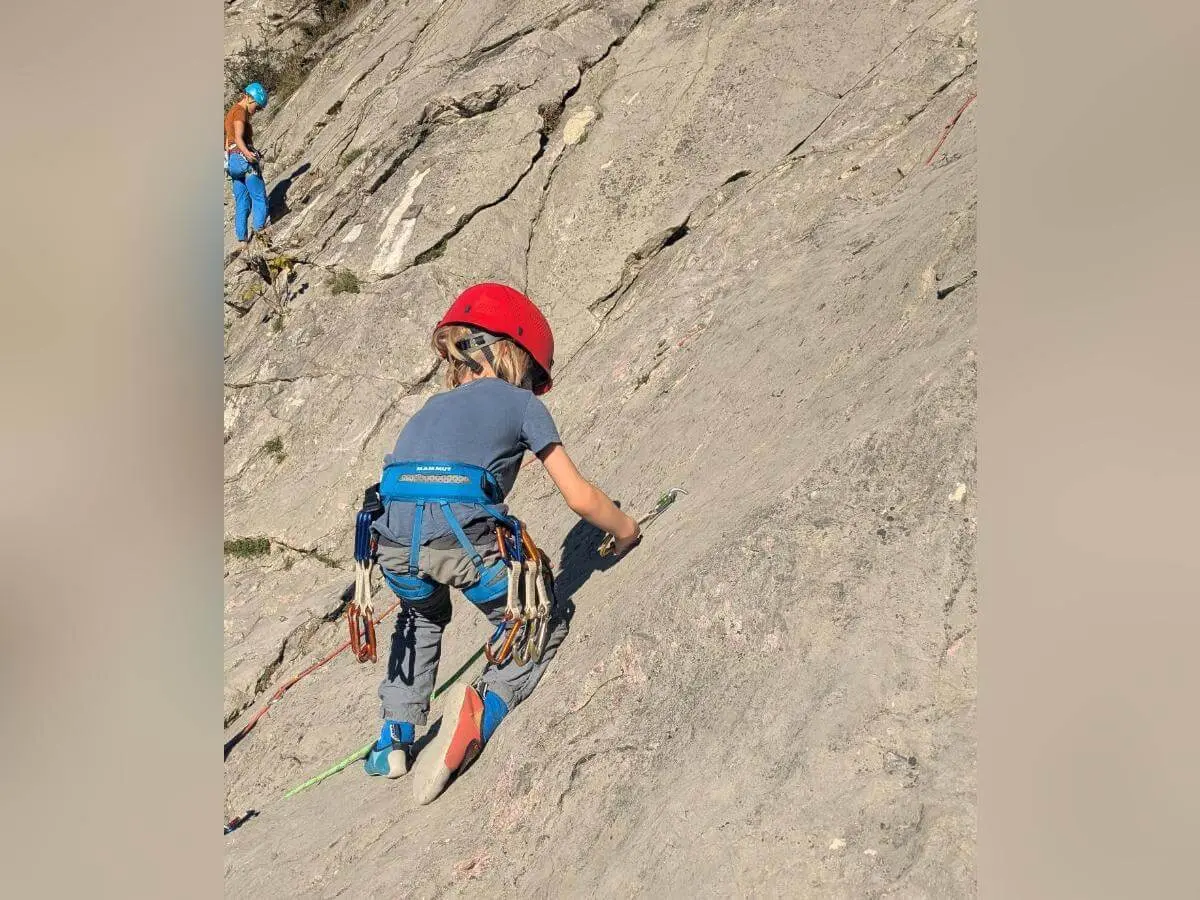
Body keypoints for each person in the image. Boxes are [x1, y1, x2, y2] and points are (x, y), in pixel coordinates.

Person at [363, 282, 641, 804]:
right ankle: (481, 711)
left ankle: (393, 737)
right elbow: (578, 496)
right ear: (518, 356)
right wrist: (625, 530)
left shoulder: (429, 408)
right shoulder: (521, 404)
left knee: (419, 615)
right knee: (539, 623)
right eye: (534, 377)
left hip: (391, 543)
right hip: (462, 537)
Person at [224, 82, 269, 244]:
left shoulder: (231, 112)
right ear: (250, 98)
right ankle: (260, 232)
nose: (256, 111)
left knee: (242, 201)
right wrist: (248, 154)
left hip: (233, 164)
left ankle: (242, 241)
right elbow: (238, 137)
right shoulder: (240, 112)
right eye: (257, 107)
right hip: (243, 160)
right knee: (259, 197)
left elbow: (228, 142)